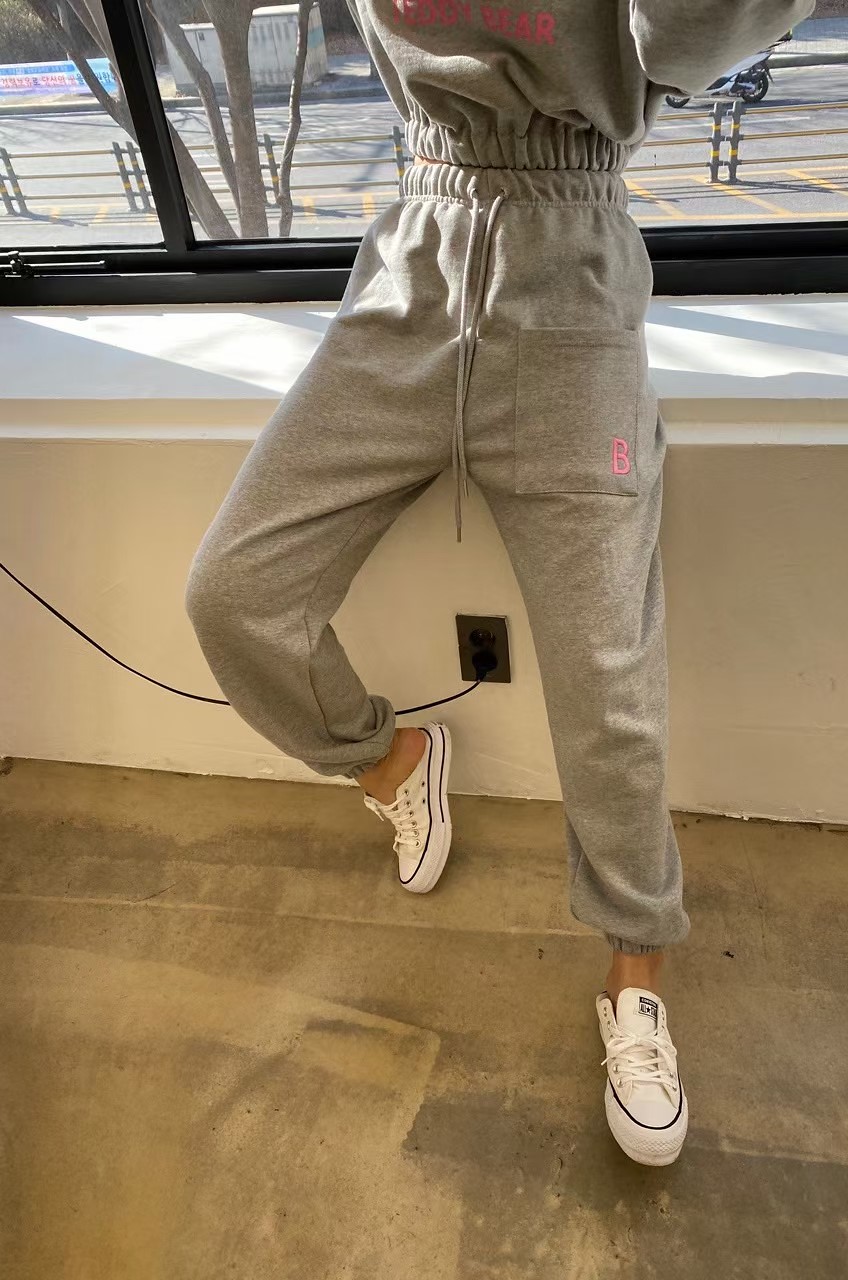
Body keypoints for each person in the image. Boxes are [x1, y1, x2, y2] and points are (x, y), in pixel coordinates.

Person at [185, 0, 814, 1166]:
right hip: (413, 265)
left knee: (608, 682)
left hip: (571, 282)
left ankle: (634, 971)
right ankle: (394, 760)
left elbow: (694, 33)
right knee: (234, 590)